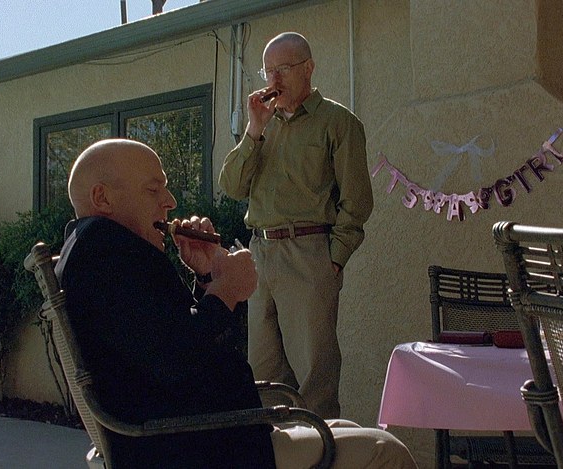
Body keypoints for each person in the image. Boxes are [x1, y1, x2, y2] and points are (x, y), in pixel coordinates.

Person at [56, 139, 417, 468]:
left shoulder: (97, 251)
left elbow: (166, 347)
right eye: (153, 189)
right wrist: (226, 291)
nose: (170, 201)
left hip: (207, 437)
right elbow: (176, 361)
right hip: (203, 449)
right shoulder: (106, 253)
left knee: (349, 429)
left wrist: (207, 278)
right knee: (385, 450)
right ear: (102, 198)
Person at [219, 32, 373, 419]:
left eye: (283, 69)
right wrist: (253, 131)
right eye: (268, 71)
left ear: (308, 68)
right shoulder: (263, 124)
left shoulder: (338, 122)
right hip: (260, 255)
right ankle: (277, 449)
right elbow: (232, 187)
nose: (273, 80)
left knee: (313, 378)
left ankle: (321, 448)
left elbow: (357, 201)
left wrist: (332, 259)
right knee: (264, 375)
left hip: (309, 254)